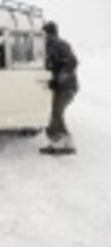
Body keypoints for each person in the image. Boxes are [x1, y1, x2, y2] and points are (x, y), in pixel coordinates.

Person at [40, 21, 79, 155]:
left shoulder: (60, 45)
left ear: (50, 33)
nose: (43, 36)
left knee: (55, 114)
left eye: (44, 33)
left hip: (67, 87)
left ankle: (57, 143)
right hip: (61, 87)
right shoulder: (48, 45)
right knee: (58, 114)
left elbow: (72, 62)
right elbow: (52, 66)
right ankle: (66, 143)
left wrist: (60, 79)